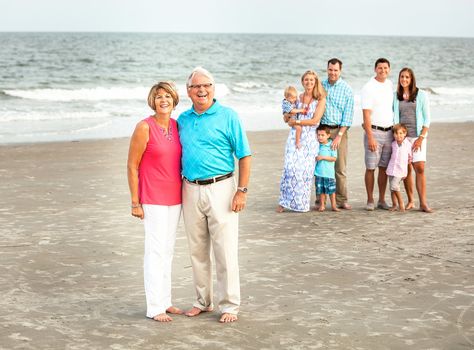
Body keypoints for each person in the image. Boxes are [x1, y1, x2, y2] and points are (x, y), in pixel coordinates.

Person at [178, 67, 251, 323]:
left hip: (222, 188)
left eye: (206, 85)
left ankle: (230, 305)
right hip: (189, 188)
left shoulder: (228, 116)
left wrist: (241, 191)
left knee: (225, 249)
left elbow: (244, 155)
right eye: (196, 86)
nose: (202, 90)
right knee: (197, 250)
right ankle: (202, 301)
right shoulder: (183, 120)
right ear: (188, 91)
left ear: (214, 88)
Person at [127, 81, 183, 322]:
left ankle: (166, 300)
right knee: (155, 251)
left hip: (175, 197)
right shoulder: (144, 127)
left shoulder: (176, 126)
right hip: (151, 197)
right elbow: (131, 165)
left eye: (168, 96)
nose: (164, 100)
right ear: (153, 100)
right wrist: (134, 202)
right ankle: (154, 307)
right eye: (159, 96)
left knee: (168, 250)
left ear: (174, 100)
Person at [277, 70, 326, 213]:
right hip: (294, 136)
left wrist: (296, 121)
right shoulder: (297, 98)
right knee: (289, 167)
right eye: (306, 80)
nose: (309, 82)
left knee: (304, 172)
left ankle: (300, 203)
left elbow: (315, 121)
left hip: (310, 137)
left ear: (315, 82)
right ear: (302, 82)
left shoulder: (320, 99)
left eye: (312, 80)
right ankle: (284, 202)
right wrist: (287, 117)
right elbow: (287, 117)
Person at [393, 67, 433, 213]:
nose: (404, 79)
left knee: (420, 168)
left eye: (407, 77)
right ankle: (411, 201)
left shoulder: (421, 95)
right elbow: (395, 117)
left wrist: (421, 138)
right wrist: (398, 138)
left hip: (418, 137)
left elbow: (427, 118)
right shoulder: (396, 96)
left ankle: (423, 203)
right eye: (402, 77)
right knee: (407, 170)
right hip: (403, 138)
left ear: (411, 79)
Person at [320, 58, 354, 210]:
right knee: (320, 165)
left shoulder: (347, 89)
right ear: (327, 69)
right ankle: (320, 201)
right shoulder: (320, 86)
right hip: (322, 131)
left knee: (339, 167)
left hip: (340, 131)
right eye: (330, 70)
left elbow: (348, 115)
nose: (333, 73)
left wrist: (339, 135)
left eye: (335, 70)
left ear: (340, 71)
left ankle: (341, 200)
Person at [361, 58, 394, 211]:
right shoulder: (368, 87)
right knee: (370, 167)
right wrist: (370, 137)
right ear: (375, 69)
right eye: (380, 68)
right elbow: (366, 115)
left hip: (389, 132)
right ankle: (370, 200)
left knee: (384, 168)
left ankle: (381, 200)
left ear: (389, 69)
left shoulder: (390, 85)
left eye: (385, 68)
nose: (383, 70)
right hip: (373, 132)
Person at [386, 124, 412, 212]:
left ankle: (401, 203)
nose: (399, 136)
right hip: (391, 169)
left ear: (405, 134)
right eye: (396, 134)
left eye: (401, 133)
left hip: (400, 170)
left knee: (394, 186)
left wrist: (406, 171)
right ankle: (394, 205)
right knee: (392, 188)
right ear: (393, 135)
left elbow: (409, 159)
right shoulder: (393, 144)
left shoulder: (407, 144)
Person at [314, 124, 339, 212]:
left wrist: (323, 157)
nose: (320, 137)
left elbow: (334, 158)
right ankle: (322, 205)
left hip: (329, 173)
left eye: (322, 135)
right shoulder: (316, 146)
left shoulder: (331, 145)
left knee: (331, 191)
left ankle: (334, 205)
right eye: (318, 135)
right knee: (321, 191)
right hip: (319, 173)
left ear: (328, 135)